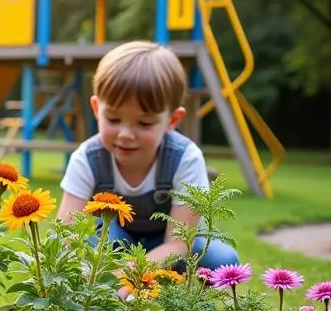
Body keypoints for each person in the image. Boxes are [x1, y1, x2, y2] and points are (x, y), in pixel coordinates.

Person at [57, 40, 239, 270]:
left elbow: (179, 244)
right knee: (92, 242)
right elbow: (65, 233)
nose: (125, 134)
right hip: (113, 240)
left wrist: (134, 272)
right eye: (113, 119)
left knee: (220, 260)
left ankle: (177, 299)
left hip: (167, 243)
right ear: (96, 109)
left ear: (171, 121)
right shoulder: (87, 158)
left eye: (144, 123)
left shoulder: (186, 158)